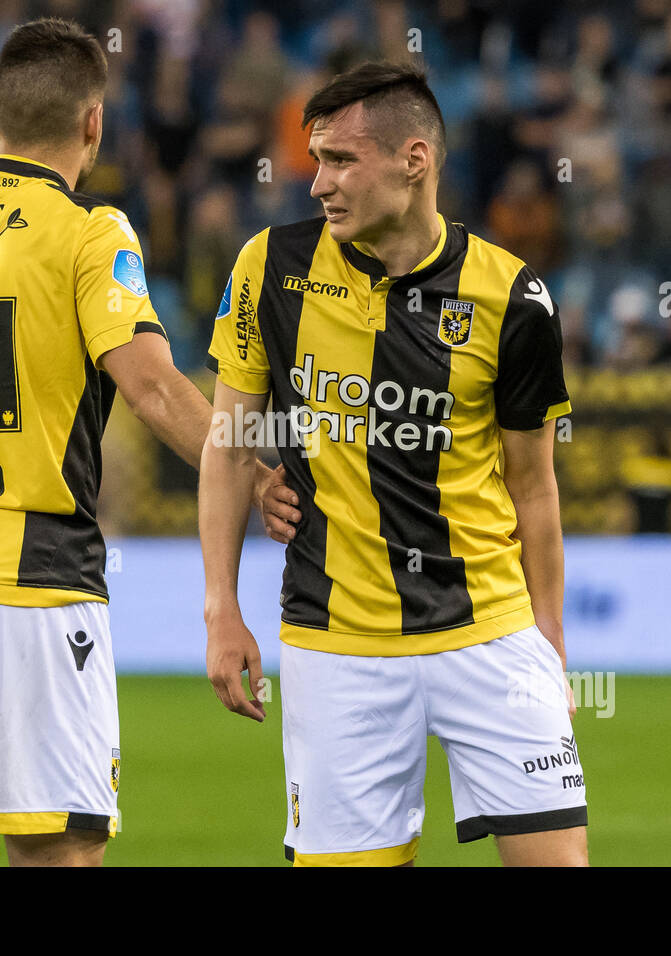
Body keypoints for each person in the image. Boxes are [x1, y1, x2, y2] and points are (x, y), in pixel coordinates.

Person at [0, 17, 294, 867]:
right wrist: (254, 474)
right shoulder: (89, 232)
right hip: (33, 587)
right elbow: (151, 386)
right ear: (94, 124)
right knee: (57, 854)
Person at [199, 61, 587, 866]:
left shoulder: (514, 299)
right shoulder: (270, 268)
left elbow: (534, 486)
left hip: (488, 632)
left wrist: (549, 639)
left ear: (414, 161)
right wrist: (220, 609)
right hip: (334, 643)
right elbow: (230, 445)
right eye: (317, 162)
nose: (319, 185)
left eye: (341, 161)